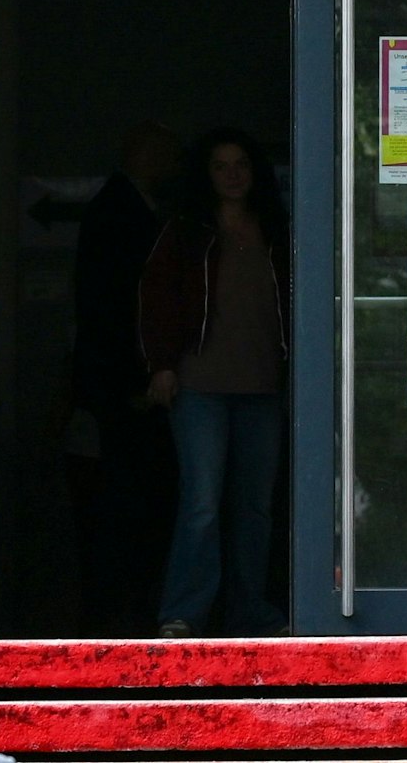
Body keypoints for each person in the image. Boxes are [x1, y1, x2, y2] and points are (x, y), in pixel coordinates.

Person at [139, 129, 289, 638]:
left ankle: (251, 611)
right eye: (221, 165)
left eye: (241, 164)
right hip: (200, 384)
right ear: (206, 174)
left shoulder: (278, 229)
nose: (232, 175)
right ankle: (184, 614)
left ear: (256, 171)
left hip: (264, 386)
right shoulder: (186, 231)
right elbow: (155, 300)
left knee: (256, 506)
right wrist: (161, 365)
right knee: (201, 500)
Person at [70, 121, 182, 634]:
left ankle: (127, 603)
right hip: (127, 383)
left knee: (138, 493)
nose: (169, 162)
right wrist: (130, 385)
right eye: (161, 151)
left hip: (130, 381)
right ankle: (121, 607)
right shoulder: (118, 212)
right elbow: (108, 307)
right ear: (139, 153)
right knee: (129, 497)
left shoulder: (127, 206)